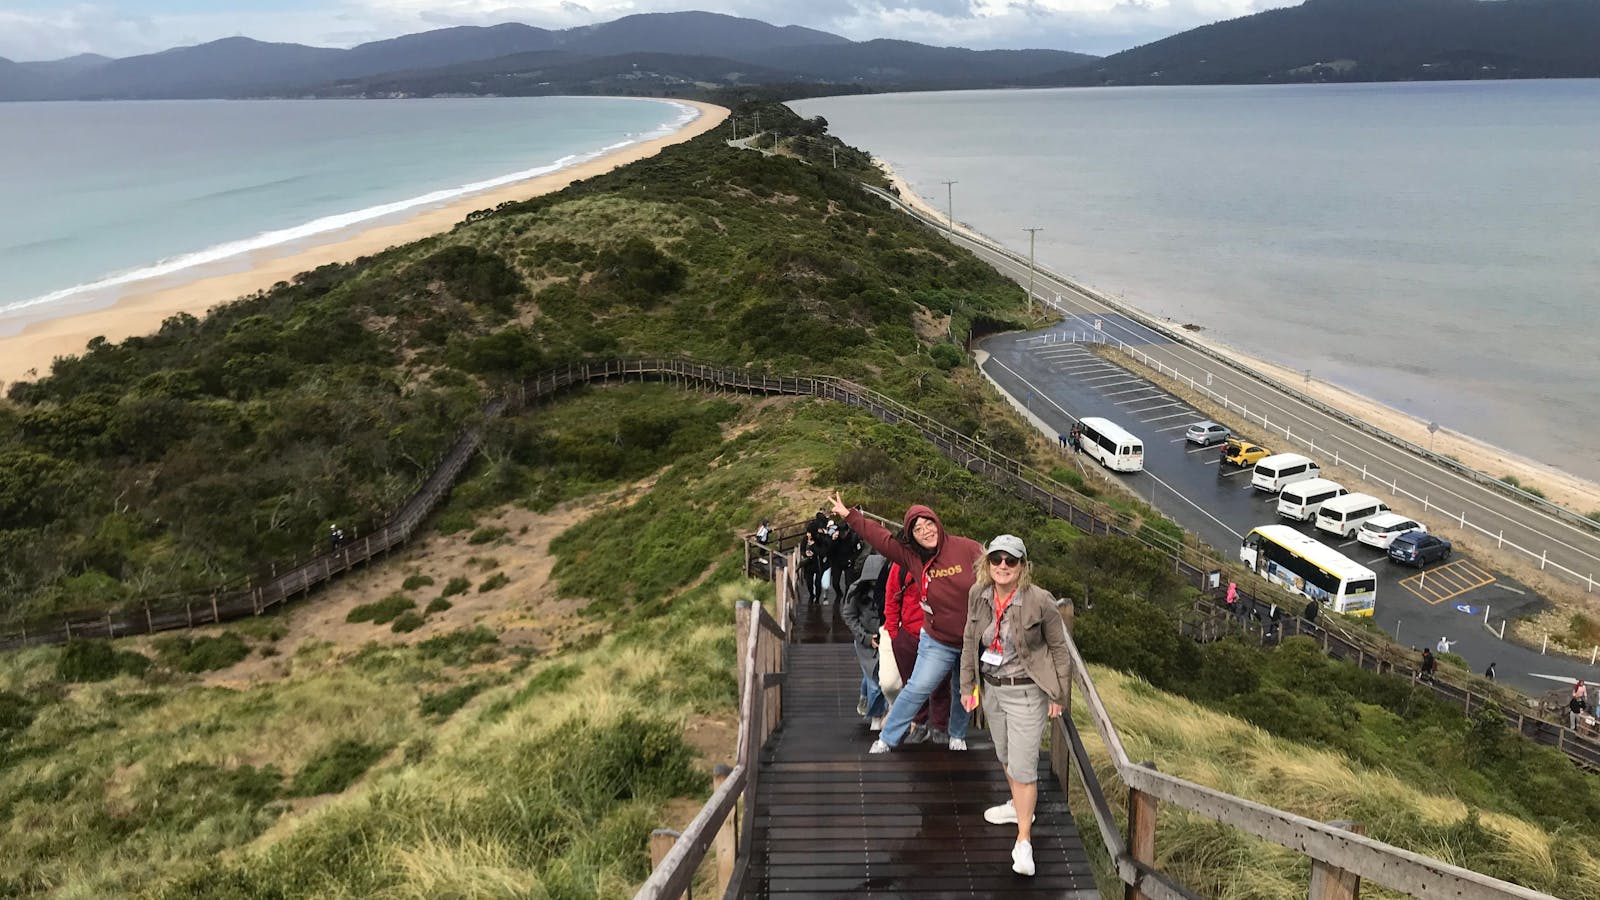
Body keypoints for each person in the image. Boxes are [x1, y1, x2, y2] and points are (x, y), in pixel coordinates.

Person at [829, 493, 982, 754]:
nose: (926, 531)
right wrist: (851, 516)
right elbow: (882, 538)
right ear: (912, 536)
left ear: (938, 522)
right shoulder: (913, 558)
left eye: (929, 523)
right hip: (938, 641)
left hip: (971, 640)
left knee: (965, 688)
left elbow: (996, 574)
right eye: (918, 529)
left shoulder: (966, 548)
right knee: (917, 687)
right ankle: (887, 739)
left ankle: (957, 734)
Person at [959, 534, 1073, 878]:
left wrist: (1058, 694)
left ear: (1023, 565)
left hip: (1026, 693)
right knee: (1007, 755)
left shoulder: (1040, 600)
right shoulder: (978, 595)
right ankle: (1017, 807)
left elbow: (1059, 649)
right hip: (992, 690)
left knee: (1023, 769)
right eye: (997, 560)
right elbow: (968, 639)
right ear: (987, 563)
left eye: (1011, 560)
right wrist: (967, 686)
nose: (1003, 566)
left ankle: (1023, 840)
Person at [884, 560, 952, 743]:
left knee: (941, 683)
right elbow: (891, 596)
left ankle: (940, 726)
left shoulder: (945, 562)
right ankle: (920, 724)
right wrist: (894, 633)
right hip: (908, 633)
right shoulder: (902, 564)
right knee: (912, 684)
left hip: (938, 634)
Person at [842, 554, 891, 729]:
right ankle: (876, 718)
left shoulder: (890, 587)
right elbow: (849, 615)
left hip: (886, 638)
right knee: (874, 679)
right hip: (865, 640)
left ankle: (866, 699)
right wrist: (865, 637)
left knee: (878, 676)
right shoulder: (856, 590)